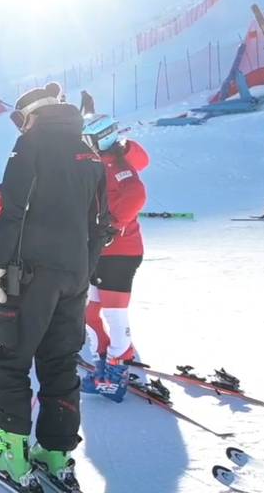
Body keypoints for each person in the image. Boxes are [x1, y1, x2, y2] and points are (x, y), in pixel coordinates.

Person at [0, 82, 109, 489]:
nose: (21, 127)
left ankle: (10, 454)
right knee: (59, 361)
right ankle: (55, 452)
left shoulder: (31, 145)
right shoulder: (88, 149)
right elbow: (100, 222)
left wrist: (0, 266)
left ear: (33, 115)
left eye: (22, 120)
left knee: (12, 360)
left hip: (32, 273)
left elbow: (13, 211)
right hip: (75, 274)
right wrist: (84, 270)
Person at [79, 114, 149, 402]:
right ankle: (107, 356)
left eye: (88, 139)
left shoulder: (119, 166)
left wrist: (113, 224)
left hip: (121, 252)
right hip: (103, 251)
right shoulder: (103, 162)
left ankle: (116, 370)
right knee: (90, 311)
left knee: (114, 313)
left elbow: (136, 194)